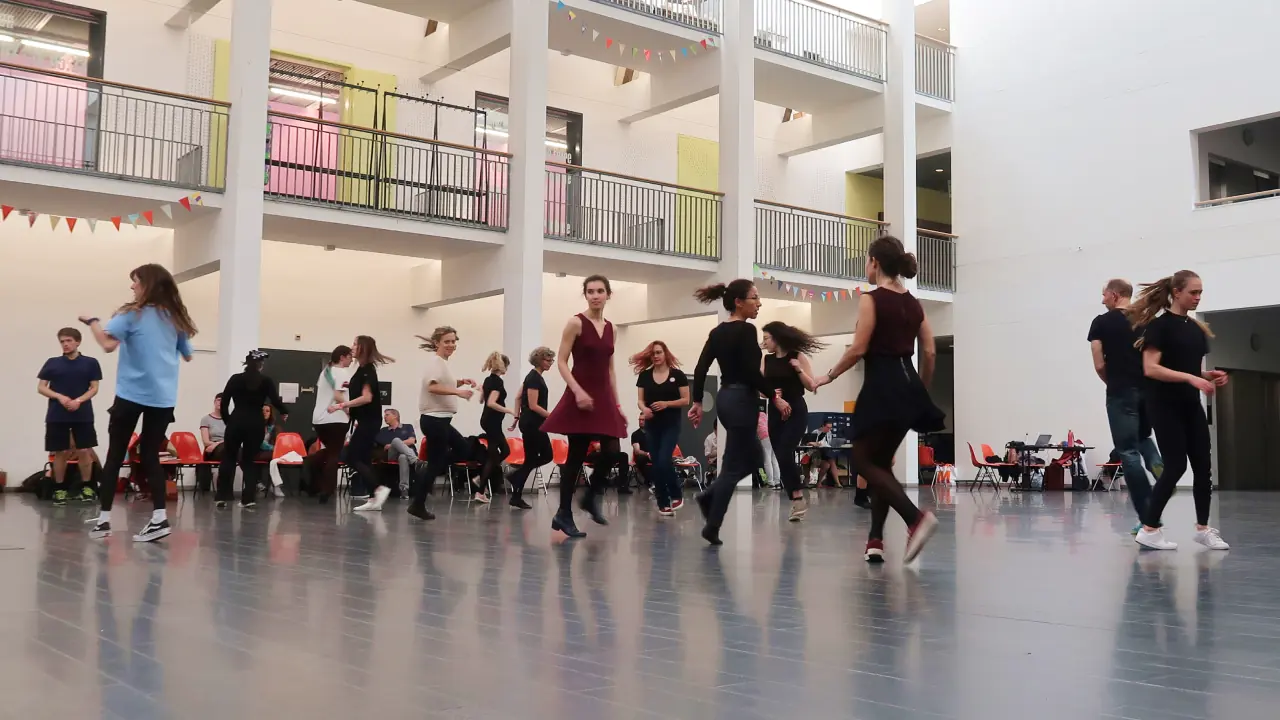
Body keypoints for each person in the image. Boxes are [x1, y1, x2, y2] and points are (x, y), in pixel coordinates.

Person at [815, 236, 944, 564]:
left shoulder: (871, 299)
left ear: (874, 261)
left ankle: (915, 519)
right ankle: (875, 540)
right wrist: (920, 390)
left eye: (867, 261)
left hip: (881, 385)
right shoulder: (915, 303)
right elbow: (929, 351)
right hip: (909, 385)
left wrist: (827, 376)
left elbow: (858, 348)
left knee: (861, 460)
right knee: (881, 462)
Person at [80, 263, 195, 542]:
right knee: (151, 457)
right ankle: (159, 519)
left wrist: (93, 322)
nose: (132, 287)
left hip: (131, 395)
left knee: (115, 454)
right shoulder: (175, 318)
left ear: (147, 284)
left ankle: (105, 520)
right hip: (163, 398)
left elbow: (107, 345)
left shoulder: (131, 314)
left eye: (135, 281)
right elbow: (188, 355)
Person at [1124, 270, 1229, 551]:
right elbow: (1151, 368)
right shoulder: (1159, 327)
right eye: (1193, 292)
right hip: (1163, 406)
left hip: (1189, 405)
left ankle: (1203, 529)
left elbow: (1189, 368)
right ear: (1177, 292)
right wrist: (1191, 378)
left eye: (1201, 293)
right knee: (1175, 466)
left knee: (1203, 467)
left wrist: (1207, 376)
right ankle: (1148, 529)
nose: (1197, 297)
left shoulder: (1196, 330)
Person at [689, 279, 778, 546]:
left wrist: (696, 402)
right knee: (737, 466)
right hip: (742, 399)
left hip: (726, 398)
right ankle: (711, 517)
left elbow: (700, 368)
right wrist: (774, 395)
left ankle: (711, 510)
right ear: (739, 302)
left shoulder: (717, 333)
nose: (759, 303)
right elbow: (752, 372)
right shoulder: (746, 330)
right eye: (754, 298)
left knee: (748, 461)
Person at [541, 275, 628, 538]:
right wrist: (577, 391)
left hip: (602, 396)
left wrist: (617, 402)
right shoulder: (575, 323)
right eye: (590, 291)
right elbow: (562, 362)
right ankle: (564, 514)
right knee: (576, 457)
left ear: (608, 294)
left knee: (613, 450)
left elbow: (610, 368)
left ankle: (590, 497)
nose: (595, 295)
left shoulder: (611, 327)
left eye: (600, 291)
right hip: (580, 394)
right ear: (585, 294)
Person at [1089, 278, 1166, 534]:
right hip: (1148, 391)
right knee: (1143, 436)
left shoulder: (1101, 322)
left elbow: (1100, 364)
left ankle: (1148, 518)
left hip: (1121, 392)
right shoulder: (1146, 321)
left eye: (1103, 295)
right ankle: (1161, 471)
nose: (1102, 300)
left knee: (1128, 451)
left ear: (1114, 295)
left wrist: (1112, 382)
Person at [409, 327, 477, 520]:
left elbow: (443, 382)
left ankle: (426, 475)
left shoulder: (442, 363)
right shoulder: (435, 362)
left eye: (454, 341)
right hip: (434, 419)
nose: (451, 345)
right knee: (443, 460)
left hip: (441, 420)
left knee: (463, 450)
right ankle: (418, 502)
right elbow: (432, 386)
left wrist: (460, 381)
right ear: (437, 343)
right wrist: (458, 392)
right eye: (447, 341)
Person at [761, 320, 825, 521]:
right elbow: (759, 388)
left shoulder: (797, 357)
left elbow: (811, 385)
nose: (764, 342)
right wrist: (771, 394)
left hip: (796, 409)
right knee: (779, 453)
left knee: (785, 449)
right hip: (775, 409)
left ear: (776, 338)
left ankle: (797, 498)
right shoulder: (766, 359)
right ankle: (796, 498)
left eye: (766, 338)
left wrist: (798, 369)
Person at [215, 351, 289, 509]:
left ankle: (222, 496)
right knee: (249, 461)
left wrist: (229, 421)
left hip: (236, 421)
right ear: (261, 365)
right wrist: (284, 411)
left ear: (246, 363)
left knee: (229, 457)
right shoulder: (266, 381)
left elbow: (224, 403)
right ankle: (248, 498)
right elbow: (275, 400)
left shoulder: (235, 379)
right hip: (255, 423)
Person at [37, 327, 102, 506]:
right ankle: (59, 489)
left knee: (84, 450)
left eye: (68, 341)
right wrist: (60, 397)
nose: (65, 344)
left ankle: (87, 487)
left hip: (83, 414)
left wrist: (79, 401)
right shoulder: (52, 363)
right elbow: (41, 387)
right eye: (62, 341)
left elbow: (94, 388)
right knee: (61, 451)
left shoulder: (90, 363)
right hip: (57, 415)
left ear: (77, 342)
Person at [334, 336, 394, 512]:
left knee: (353, 456)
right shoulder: (361, 370)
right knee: (364, 458)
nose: (351, 347)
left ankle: (378, 489)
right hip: (365, 421)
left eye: (355, 344)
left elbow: (367, 397)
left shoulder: (368, 370)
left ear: (363, 348)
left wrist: (343, 404)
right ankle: (373, 499)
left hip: (370, 420)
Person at [632, 340, 691, 516]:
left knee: (665, 459)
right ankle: (662, 503)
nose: (656, 356)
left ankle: (676, 494)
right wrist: (644, 410)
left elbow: (685, 400)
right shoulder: (644, 376)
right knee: (656, 464)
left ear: (665, 354)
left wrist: (666, 404)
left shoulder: (677, 375)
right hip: (652, 425)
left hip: (671, 424)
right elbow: (640, 400)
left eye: (658, 352)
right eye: (653, 354)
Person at [507, 347, 555, 509]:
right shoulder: (534, 378)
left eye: (551, 360)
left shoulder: (533, 377)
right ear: (539, 360)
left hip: (531, 422)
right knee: (545, 456)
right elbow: (534, 405)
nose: (550, 363)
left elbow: (518, 397)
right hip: (533, 423)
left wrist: (515, 417)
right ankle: (516, 479)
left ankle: (516, 486)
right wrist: (552, 416)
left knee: (535, 458)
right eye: (548, 360)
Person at [311, 345, 352, 504]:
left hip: (319, 420)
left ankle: (311, 474)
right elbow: (338, 396)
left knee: (328, 452)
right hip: (336, 418)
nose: (351, 360)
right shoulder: (342, 372)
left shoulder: (325, 372)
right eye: (350, 357)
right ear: (342, 357)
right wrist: (349, 410)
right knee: (334, 454)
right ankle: (326, 491)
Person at [478, 352, 514, 503]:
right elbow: (491, 403)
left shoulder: (488, 380)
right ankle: (480, 487)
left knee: (495, 455)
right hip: (492, 422)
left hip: (489, 420)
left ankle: (481, 481)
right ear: (503, 366)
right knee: (504, 451)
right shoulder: (498, 382)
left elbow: (482, 400)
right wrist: (509, 410)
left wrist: (482, 391)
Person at [375, 409, 420, 498]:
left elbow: (412, 440)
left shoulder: (407, 427)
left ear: (395, 416)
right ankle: (416, 461)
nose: (385, 417)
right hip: (392, 455)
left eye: (387, 415)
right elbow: (383, 446)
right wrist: (394, 444)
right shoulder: (383, 430)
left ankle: (404, 490)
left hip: (405, 456)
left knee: (403, 457)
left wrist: (393, 444)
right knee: (396, 441)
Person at [632, 419, 654, 496]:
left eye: (643, 420)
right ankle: (650, 482)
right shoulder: (635, 434)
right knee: (641, 459)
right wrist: (647, 454)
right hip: (642, 456)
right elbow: (637, 451)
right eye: (640, 420)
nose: (641, 422)